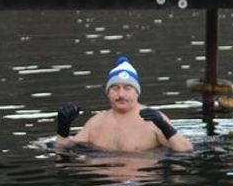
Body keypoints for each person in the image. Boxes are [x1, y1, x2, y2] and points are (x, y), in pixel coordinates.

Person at [54, 56, 192, 153]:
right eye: (115, 88)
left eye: (127, 88)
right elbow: (64, 150)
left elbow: (185, 150)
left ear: (137, 92)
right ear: (107, 93)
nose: (121, 94)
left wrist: (165, 127)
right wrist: (63, 129)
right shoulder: (96, 122)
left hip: (141, 185)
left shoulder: (154, 120)